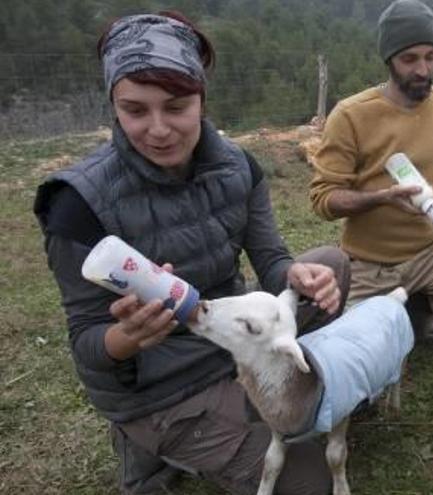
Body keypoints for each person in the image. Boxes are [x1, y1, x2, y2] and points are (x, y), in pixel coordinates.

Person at [34, 11, 348, 495]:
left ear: (201, 97)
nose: (158, 130)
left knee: (331, 265)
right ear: (113, 105)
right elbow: (88, 345)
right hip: (159, 384)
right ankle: (147, 440)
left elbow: (270, 259)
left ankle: (246, 399)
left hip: (228, 335)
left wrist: (296, 275)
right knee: (306, 483)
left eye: (177, 107)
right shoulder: (77, 204)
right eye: (135, 110)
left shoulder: (237, 165)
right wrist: (128, 336)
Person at [309, 0, 433, 343]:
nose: (423, 69)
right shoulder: (351, 115)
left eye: (431, 57)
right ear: (389, 60)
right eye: (410, 59)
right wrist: (380, 198)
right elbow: (324, 199)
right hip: (371, 263)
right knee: (358, 346)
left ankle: (419, 303)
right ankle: (409, 309)